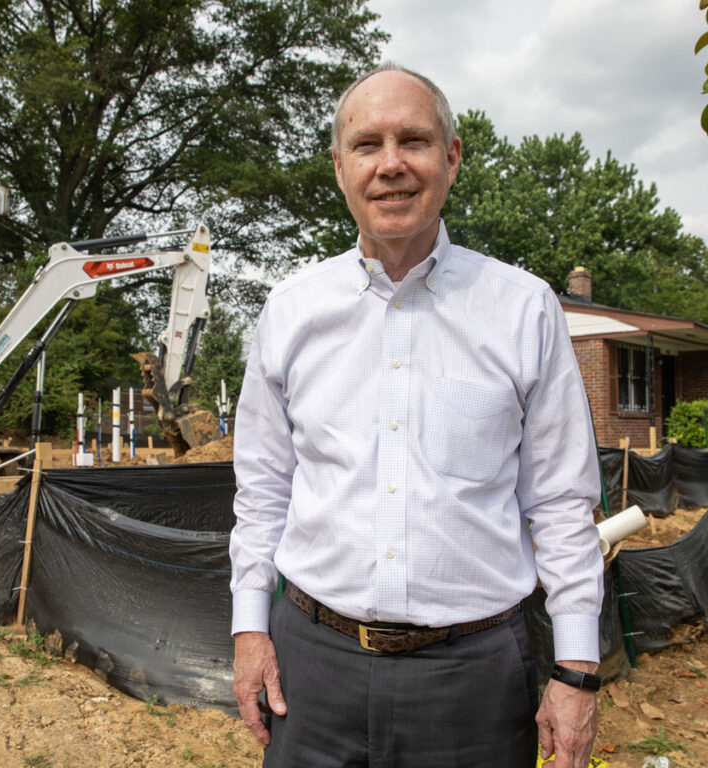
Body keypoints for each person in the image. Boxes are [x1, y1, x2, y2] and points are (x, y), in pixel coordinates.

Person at [229, 63, 604, 768]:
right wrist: (250, 629)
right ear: (340, 168)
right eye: (368, 145)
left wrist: (577, 668)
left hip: (475, 682)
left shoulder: (524, 309)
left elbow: (560, 501)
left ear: (452, 157)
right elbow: (262, 491)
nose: (391, 164)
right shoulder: (291, 312)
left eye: (415, 141)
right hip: (312, 673)